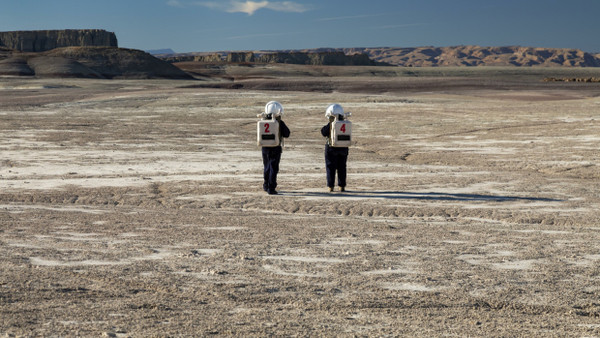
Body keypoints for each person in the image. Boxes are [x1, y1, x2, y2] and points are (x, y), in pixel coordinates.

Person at [260, 101, 290, 195]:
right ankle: (271, 188)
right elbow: (287, 134)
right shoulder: (279, 122)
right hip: (275, 147)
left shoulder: (263, 121)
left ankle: (266, 185)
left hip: (265, 147)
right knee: (273, 168)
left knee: (266, 167)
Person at [321, 104, 349, 192]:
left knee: (330, 167)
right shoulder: (345, 123)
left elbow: (323, 132)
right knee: (342, 167)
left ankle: (331, 186)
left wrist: (330, 123)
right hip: (343, 148)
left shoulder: (332, 124)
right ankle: (342, 186)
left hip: (331, 148)